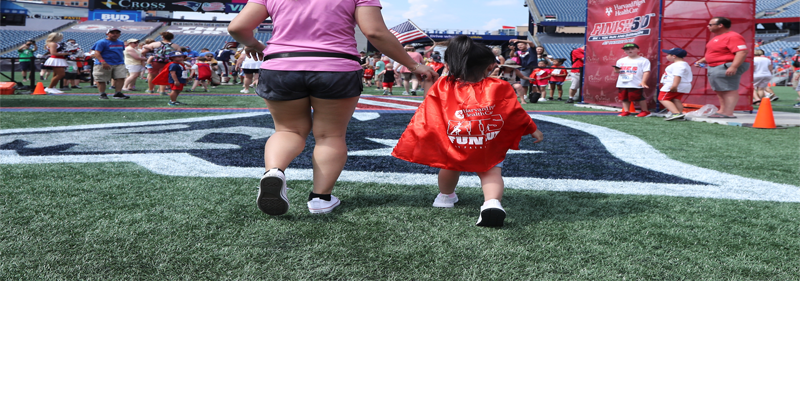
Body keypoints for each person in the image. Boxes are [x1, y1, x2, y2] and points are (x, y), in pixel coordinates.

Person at [228, 0, 439, 216]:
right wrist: (413, 65)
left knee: (287, 131)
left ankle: (274, 171)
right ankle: (321, 199)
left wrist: (254, 44)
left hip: (281, 65)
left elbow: (237, 27)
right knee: (330, 135)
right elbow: (375, 32)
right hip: (336, 66)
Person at [392, 35, 544, 228]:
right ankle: (491, 203)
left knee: (449, 166)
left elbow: (429, 103)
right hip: (486, 142)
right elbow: (514, 112)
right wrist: (533, 129)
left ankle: (445, 197)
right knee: (491, 172)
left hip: (454, 140)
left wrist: (429, 81)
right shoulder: (499, 86)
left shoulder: (443, 84)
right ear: (490, 67)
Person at [693, 17, 750, 118]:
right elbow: (715, 53)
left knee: (729, 89)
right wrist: (702, 60)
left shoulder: (733, 36)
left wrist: (733, 66)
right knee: (720, 89)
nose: (708, 26)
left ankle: (728, 112)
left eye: (710, 25)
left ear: (720, 25)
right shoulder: (717, 37)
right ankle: (723, 111)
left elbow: (742, 52)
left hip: (725, 65)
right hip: (716, 66)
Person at [92, 28, 130, 100]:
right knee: (101, 79)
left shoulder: (121, 42)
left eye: (117, 33)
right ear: (107, 34)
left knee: (121, 77)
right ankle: (102, 94)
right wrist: (103, 62)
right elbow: (96, 53)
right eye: (112, 33)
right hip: (104, 63)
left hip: (119, 63)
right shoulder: (101, 42)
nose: (115, 34)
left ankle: (118, 93)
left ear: (119, 35)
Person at [614, 43, 651, 117]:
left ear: (638, 50)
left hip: (636, 82)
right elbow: (616, 71)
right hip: (623, 82)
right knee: (624, 97)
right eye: (627, 49)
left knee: (639, 97)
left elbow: (646, 71)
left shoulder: (643, 60)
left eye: (632, 48)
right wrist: (617, 69)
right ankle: (626, 111)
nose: (629, 50)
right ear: (624, 51)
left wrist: (643, 81)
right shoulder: (620, 60)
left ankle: (645, 111)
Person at [658, 48, 693, 121]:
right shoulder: (682, 64)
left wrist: (674, 85)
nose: (666, 56)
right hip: (683, 85)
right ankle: (679, 114)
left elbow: (678, 75)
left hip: (675, 84)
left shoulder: (678, 65)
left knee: (662, 98)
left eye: (668, 54)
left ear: (674, 56)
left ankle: (676, 113)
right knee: (676, 99)